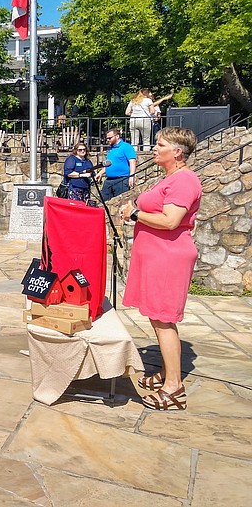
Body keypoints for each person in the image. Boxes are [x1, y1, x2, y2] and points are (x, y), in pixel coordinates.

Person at [119, 127, 202, 411]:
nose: (154, 148)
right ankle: (168, 373)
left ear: (177, 152)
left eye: (160, 144)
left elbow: (170, 221)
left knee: (164, 319)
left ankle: (173, 388)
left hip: (169, 257)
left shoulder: (184, 181)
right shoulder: (170, 178)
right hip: (157, 255)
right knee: (158, 318)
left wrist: (134, 213)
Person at [96, 128, 137, 199]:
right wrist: (101, 173)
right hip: (109, 180)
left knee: (120, 203)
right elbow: (109, 164)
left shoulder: (126, 147)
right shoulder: (111, 149)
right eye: (107, 138)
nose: (108, 140)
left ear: (117, 136)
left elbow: (132, 161)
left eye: (110, 138)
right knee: (103, 202)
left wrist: (132, 176)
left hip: (121, 180)